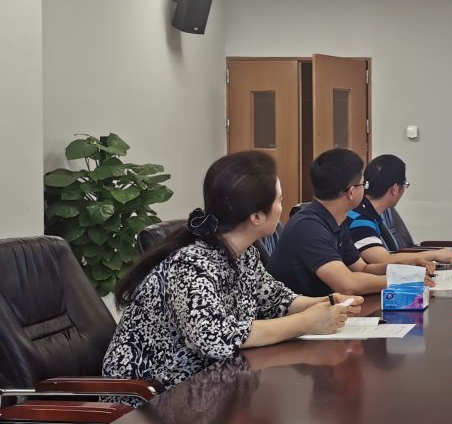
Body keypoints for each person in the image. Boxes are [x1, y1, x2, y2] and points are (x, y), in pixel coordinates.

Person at [104, 151, 361, 393]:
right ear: (256, 216)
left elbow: (275, 300)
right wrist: (306, 322)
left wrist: (326, 303)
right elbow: (215, 337)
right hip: (152, 393)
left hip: (208, 382)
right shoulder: (192, 262)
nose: (282, 208)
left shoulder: (244, 253)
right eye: (279, 200)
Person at [268, 148, 395, 297]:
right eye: (363, 185)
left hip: (324, 307)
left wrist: (406, 271)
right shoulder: (308, 227)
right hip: (300, 310)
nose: (365, 190)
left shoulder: (337, 221)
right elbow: (347, 285)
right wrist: (401, 281)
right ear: (351, 192)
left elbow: (362, 269)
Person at [347, 154, 452, 267]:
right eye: (405, 185)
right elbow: (383, 259)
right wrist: (434, 254)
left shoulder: (369, 212)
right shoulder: (359, 218)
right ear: (395, 189)